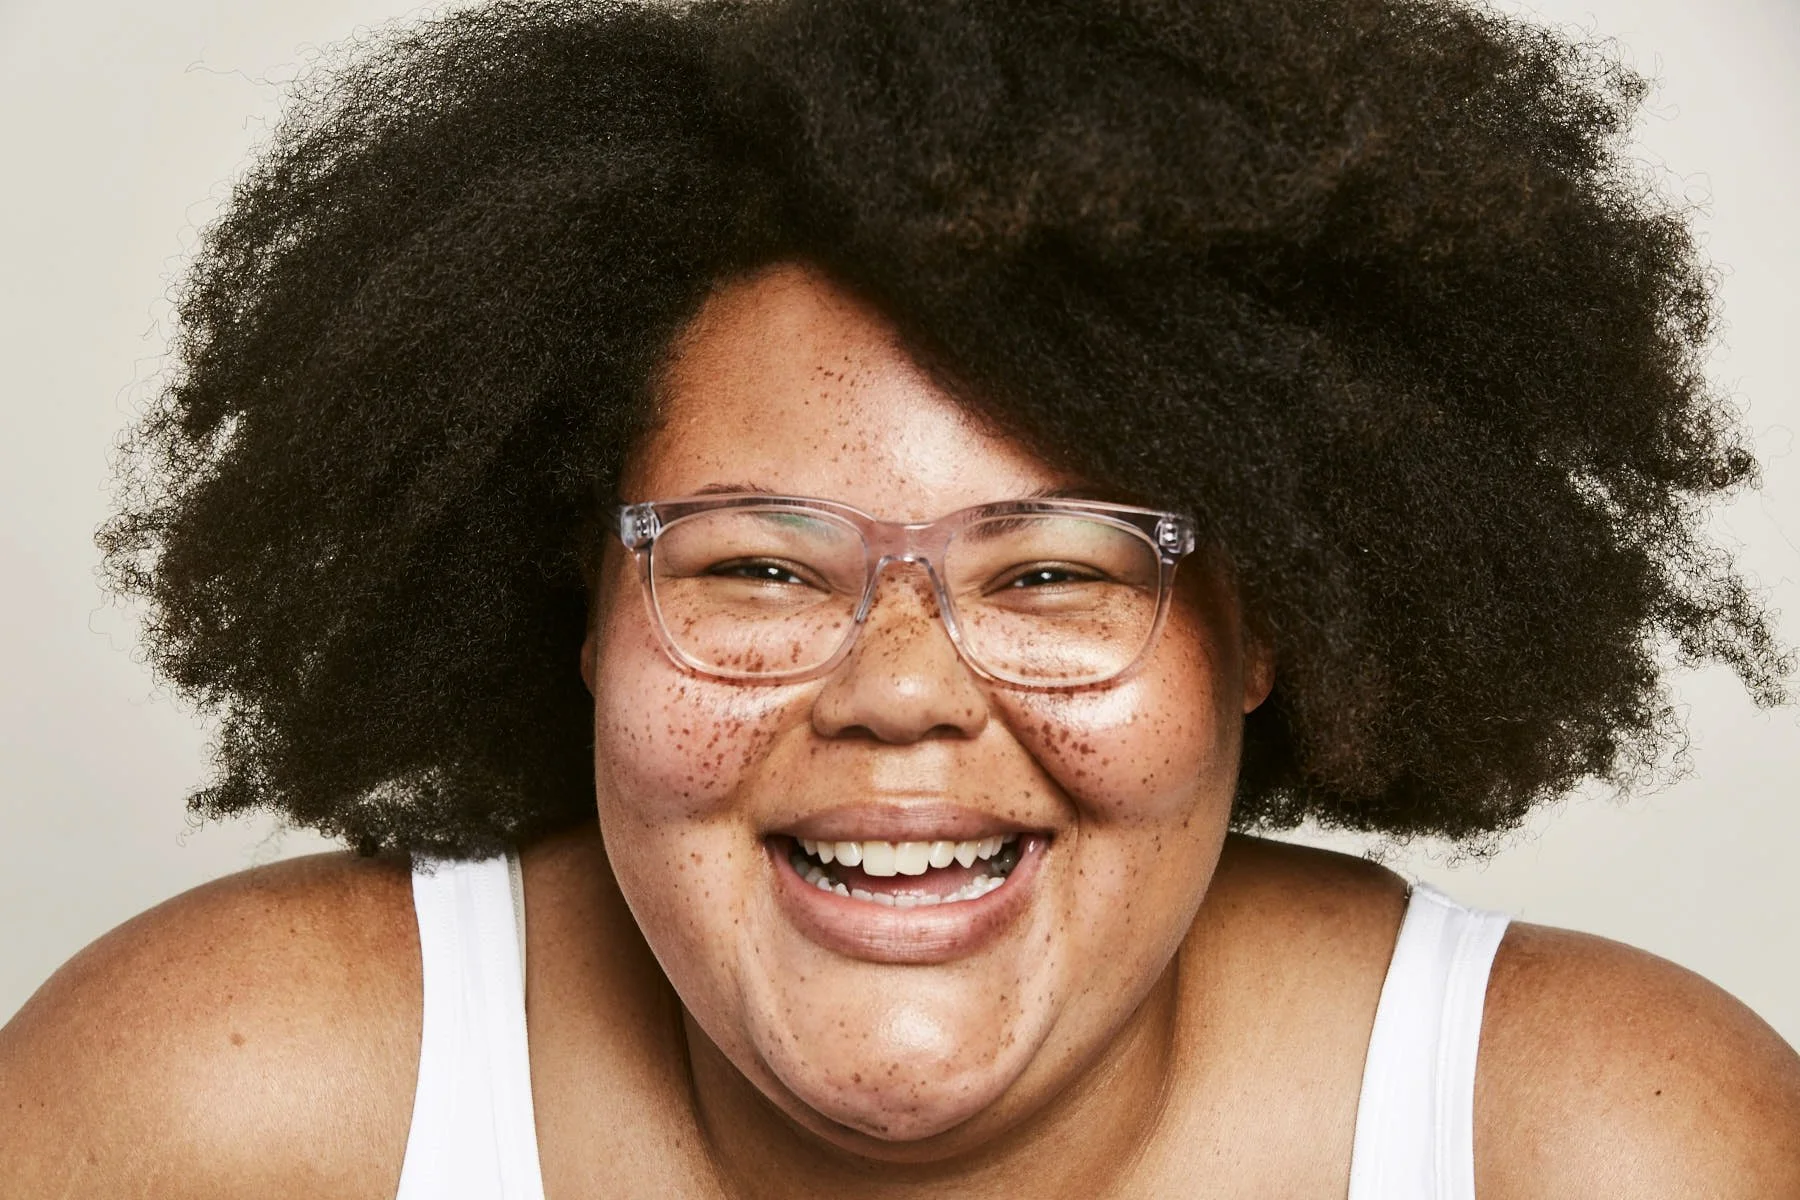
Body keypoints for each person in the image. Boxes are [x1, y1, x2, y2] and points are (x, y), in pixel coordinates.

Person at [3, 0, 1798, 1194]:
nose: (903, 691)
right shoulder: (216, 1113)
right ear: (580, 606)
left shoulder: (1599, 1145)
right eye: (763, 565)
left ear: (1266, 630)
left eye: (1055, 571)